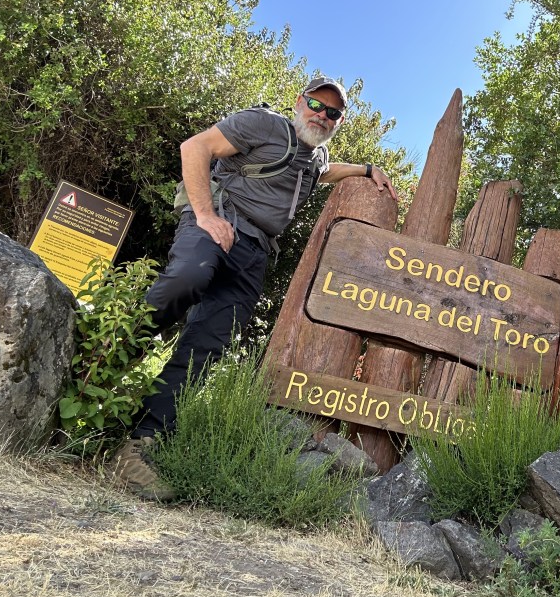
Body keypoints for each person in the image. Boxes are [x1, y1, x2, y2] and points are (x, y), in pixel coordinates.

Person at [113, 76, 397, 499]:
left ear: (339, 121)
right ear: (300, 101)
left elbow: (323, 171)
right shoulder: (263, 124)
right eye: (317, 105)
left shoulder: (315, 155)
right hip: (217, 222)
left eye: (333, 113)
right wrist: (207, 216)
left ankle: (139, 446)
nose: (322, 115)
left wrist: (367, 169)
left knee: (209, 345)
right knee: (185, 280)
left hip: (255, 252)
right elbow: (195, 147)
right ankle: (101, 364)